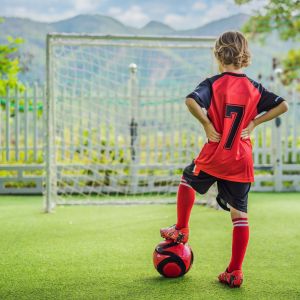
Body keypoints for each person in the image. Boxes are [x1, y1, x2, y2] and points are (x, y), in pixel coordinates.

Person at [160, 31, 289, 288]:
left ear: (218, 54)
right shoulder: (255, 88)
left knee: (188, 180)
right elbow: (283, 105)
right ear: (245, 56)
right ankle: (234, 271)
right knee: (240, 215)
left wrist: (207, 124)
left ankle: (182, 229)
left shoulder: (213, 83)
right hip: (241, 158)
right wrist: (254, 122)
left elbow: (190, 101)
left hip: (216, 153)